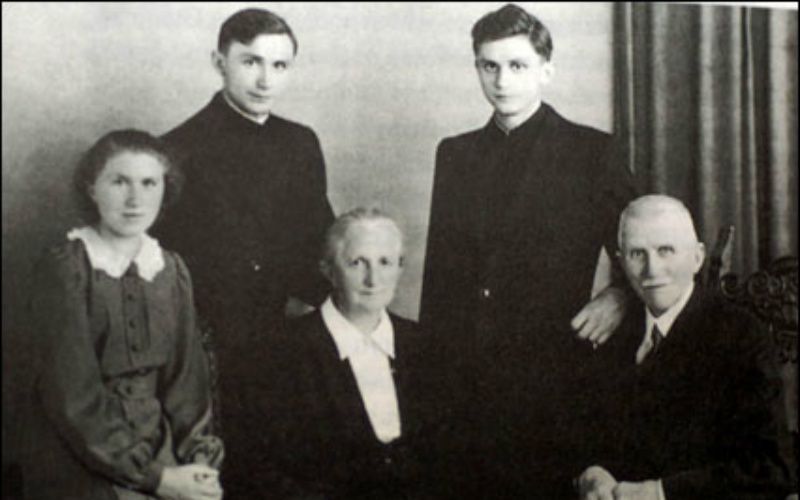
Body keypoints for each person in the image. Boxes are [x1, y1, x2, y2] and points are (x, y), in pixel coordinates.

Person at [419, 3, 637, 496]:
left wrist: (620, 294)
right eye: (489, 66)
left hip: (551, 380)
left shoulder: (591, 153)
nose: (502, 81)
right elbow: (440, 278)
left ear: (546, 70)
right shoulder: (455, 154)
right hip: (463, 384)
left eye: (517, 65)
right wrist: (428, 382)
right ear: (477, 67)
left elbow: (650, 250)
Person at [151, 7, 334, 491]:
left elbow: (321, 241)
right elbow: (162, 266)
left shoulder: (300, 143)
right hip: (211, 345)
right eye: (250, 62)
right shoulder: (176, 149)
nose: (265, 79)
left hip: (292, 333)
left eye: (279, 65)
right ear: (219, 62)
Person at [21, 130, 224, 500]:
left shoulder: (171, 269)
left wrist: (198, 459)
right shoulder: (66, 269)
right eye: (119, 182)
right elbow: (72, 396)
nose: (135, 199)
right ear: (92, 188)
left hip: (159, 447)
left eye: (149, 183)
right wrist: (156, 479)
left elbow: (187, 383)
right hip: (80, 455)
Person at [576, 194, 794, 500]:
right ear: (621, 261)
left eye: (666, 251)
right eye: (637, 254)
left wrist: (659, 493)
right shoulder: (614, 333)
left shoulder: (741, 335)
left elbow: (773, 468)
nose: (652, 270)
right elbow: (586, 435)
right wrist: (591, 473)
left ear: (697, 257)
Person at [241, 208, 441, 498]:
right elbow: (266, 474)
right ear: (329, 270)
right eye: (357, 263)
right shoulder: (282, 353)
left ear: (400, 268)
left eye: (385, 262)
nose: (373, 280)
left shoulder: (426, 345)